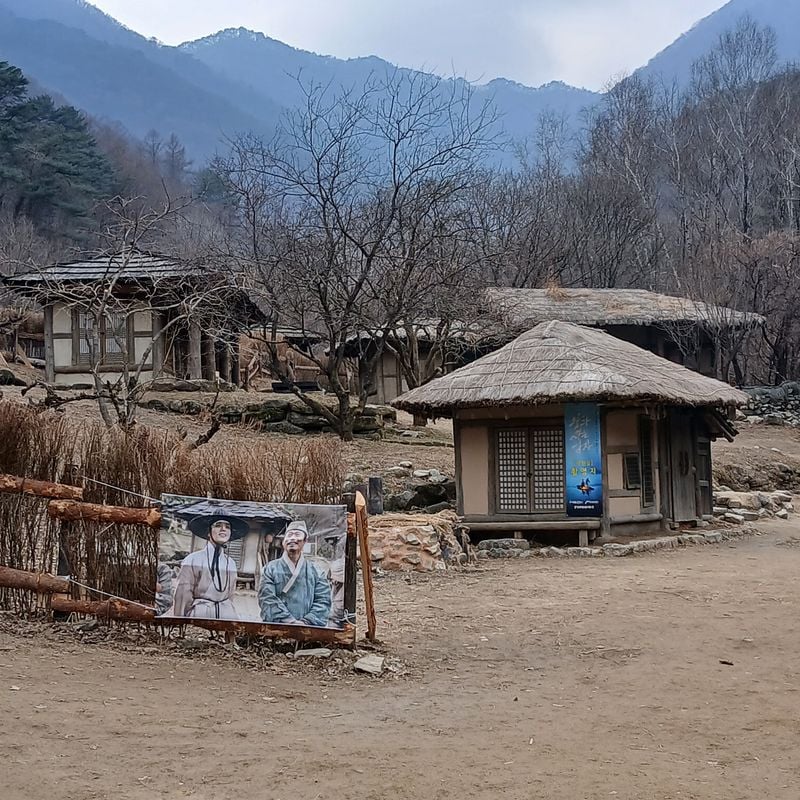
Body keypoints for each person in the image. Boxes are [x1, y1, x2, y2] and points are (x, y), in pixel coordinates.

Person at [170, 515, 249, 620]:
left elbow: (230, 595)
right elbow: (183, 595)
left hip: (226, 614)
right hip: (200, 613)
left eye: (227, 526)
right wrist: (180, 620)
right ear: (208, 532)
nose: (223, 529)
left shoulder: (231, 563)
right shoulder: (193, 559)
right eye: (218, 525)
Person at [258, 520, 332, 627]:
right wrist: (289, 621)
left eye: (297, 534)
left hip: (307, 629)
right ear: (283, 542)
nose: (292, 538)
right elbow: (266, 598)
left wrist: (305, 622)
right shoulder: (270, 568)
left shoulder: (316, 571)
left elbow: (323, 600)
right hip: (276, 627)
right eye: (289, 535)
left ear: (305, 541)